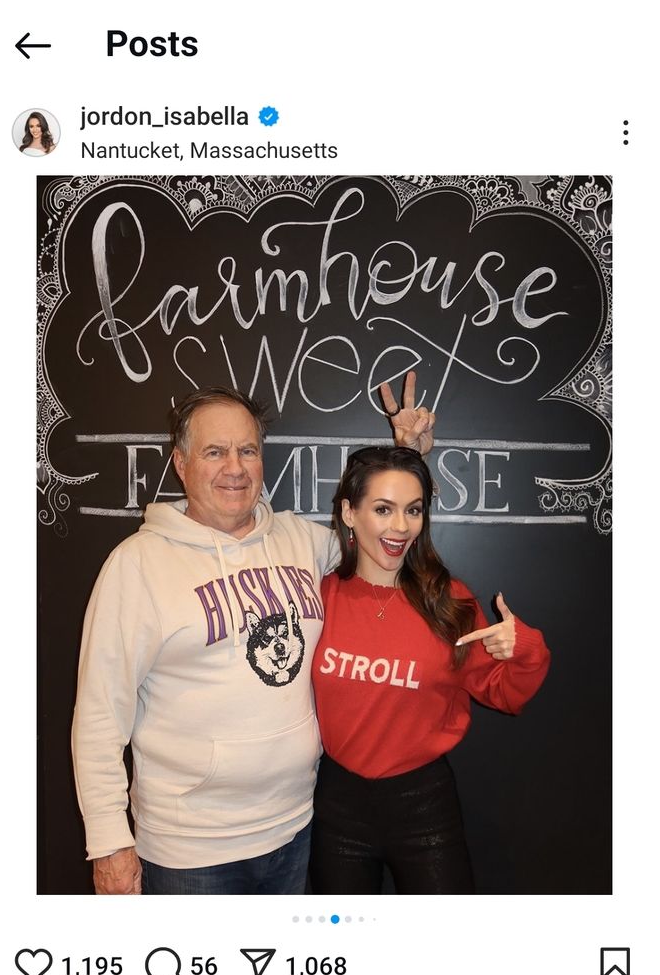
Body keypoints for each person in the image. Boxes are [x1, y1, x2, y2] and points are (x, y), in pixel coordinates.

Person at [72, 380, 434, 894]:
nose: (235, 468)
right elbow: (98, 716)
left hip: (295, 830)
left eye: (247, 450)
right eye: (215, 452)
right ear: (181, 463)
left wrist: (405, 456)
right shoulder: (137, 566)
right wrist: (109, 843)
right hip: (189, 851)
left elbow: (382, 533)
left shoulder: (300, 540)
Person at [309, 444, 551, 894]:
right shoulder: (319, 598)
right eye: (383, 509)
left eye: (413, 510)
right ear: (348, 512)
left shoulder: (448, 598)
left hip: (423, 805)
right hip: (336, 804)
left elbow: (503, 692)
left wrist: (524, 648)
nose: (401, 526)